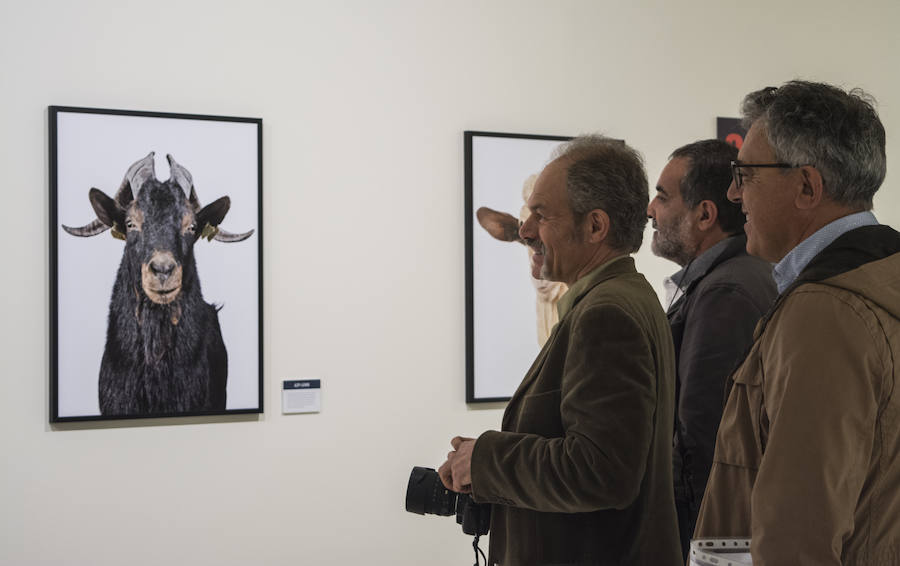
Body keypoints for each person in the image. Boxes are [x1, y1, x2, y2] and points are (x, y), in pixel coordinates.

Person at [439, 135, 681, 565]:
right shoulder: (624, 297)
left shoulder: (606, 315)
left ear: (595, 227)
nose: (525, 230)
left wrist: (487, 460)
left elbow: (600, 470)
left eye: (542, 215)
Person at [694, 80, 900, 565]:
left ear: (807, 186)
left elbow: (798, 536)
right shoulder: (877, 281)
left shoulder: (826, 312)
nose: (733, 193)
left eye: (745, 175)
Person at [646, 139, 776, 560]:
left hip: (709, 535)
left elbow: (704, 435)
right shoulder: (733, 278)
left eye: (662, 197)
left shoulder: (725, 292)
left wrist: (697, 546)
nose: (650, 209)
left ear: (705, 215)